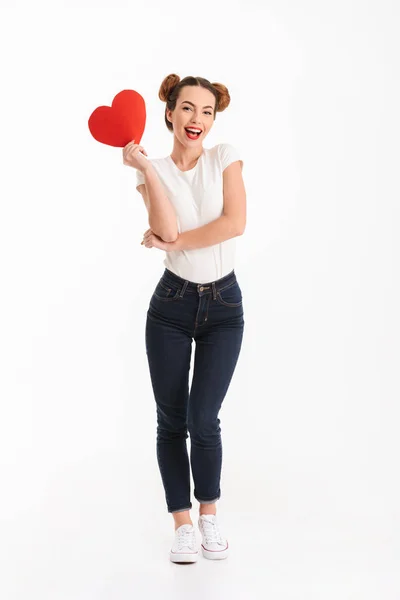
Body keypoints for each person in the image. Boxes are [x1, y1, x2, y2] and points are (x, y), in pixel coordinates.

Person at [122, 74, 246, 563]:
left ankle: (210, 515)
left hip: (224, 307)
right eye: (188, 109)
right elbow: (166, 226)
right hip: (170, 307)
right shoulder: (149, 170)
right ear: (170, 113)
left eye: (207, 112)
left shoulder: (225, 157)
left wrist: (172, 245)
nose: (198, 120)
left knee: (203, 418)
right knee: (171, 421)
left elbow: (233, 223)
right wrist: (147, 169)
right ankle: (182, 525)